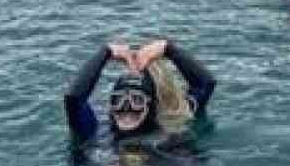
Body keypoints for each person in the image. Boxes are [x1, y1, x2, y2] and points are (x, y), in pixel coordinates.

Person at [63, 34, 216, 144]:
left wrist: (169, 48)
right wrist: (106, 52)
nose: (127, 108)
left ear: (152, 104)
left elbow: (206, 83)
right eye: (118, 100)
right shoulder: (98, 129)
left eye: (137, 100)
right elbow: (73, 98)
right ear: (111, 103)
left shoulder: (173, 119)